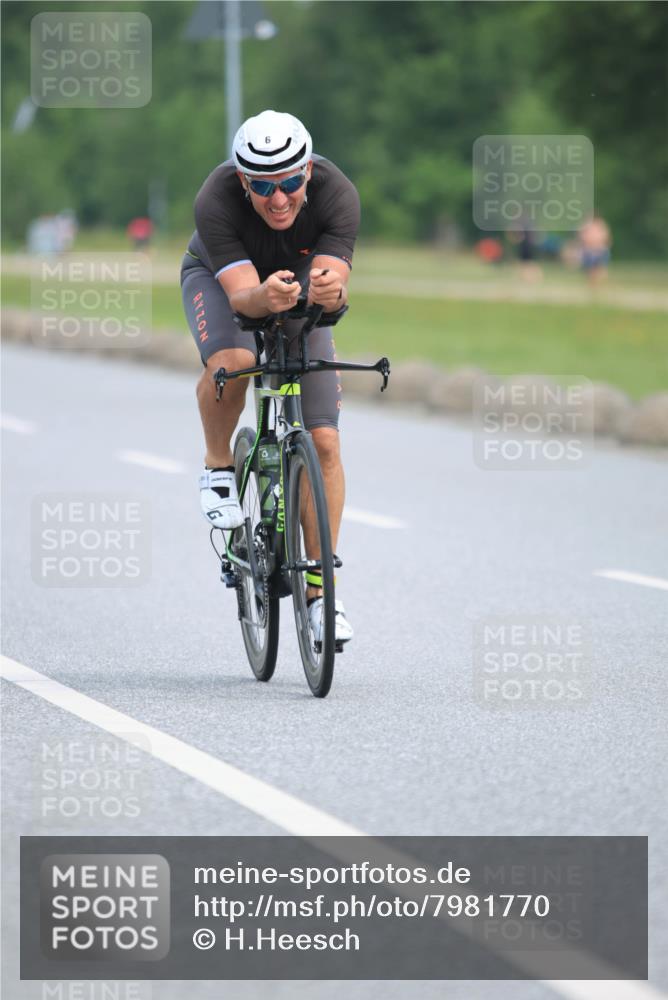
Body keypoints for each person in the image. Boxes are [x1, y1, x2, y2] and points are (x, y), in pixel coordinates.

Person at [180, 110, 360, 643]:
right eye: (262, 185)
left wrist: (330, 291)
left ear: (307, 172)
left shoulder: (338, 195)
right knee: (233, 364)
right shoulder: (216, 198)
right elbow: (242, 299)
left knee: (324, 440)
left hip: (296, 286)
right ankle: (218, 466)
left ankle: (320, 593)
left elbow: (334, 280)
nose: (277, 198)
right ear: (243, 181)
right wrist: (266, 298)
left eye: (287, 182)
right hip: (221, 279)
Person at [579, 216, 612, 287]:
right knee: (591, 269)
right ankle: (594, 282)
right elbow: (583, 238)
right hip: (589, 251)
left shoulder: (600, 226)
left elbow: (606, 238)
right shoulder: (586, 226)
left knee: (599, 269)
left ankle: (598, 282)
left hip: (600, 250)